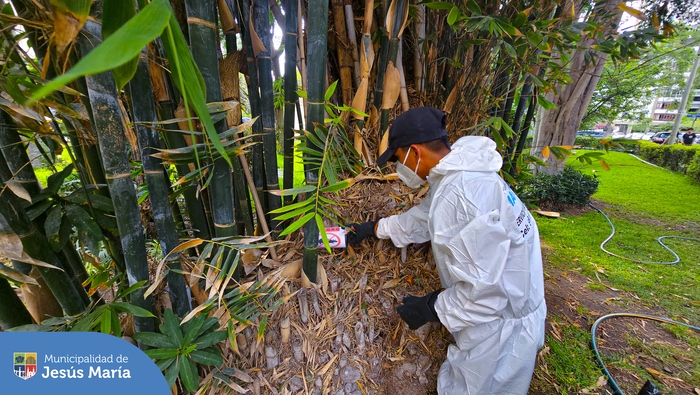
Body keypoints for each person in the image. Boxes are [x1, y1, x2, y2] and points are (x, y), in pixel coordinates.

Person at [346, 107, 546, 395]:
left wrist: (431, 307)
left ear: (415, 152)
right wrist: (371, 229)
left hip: (501, 327)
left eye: (398, 158)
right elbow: (424, 218)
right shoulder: (465, 176)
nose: (398, 167)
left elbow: (484, 294)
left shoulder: (461, 194)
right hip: (516, 304)